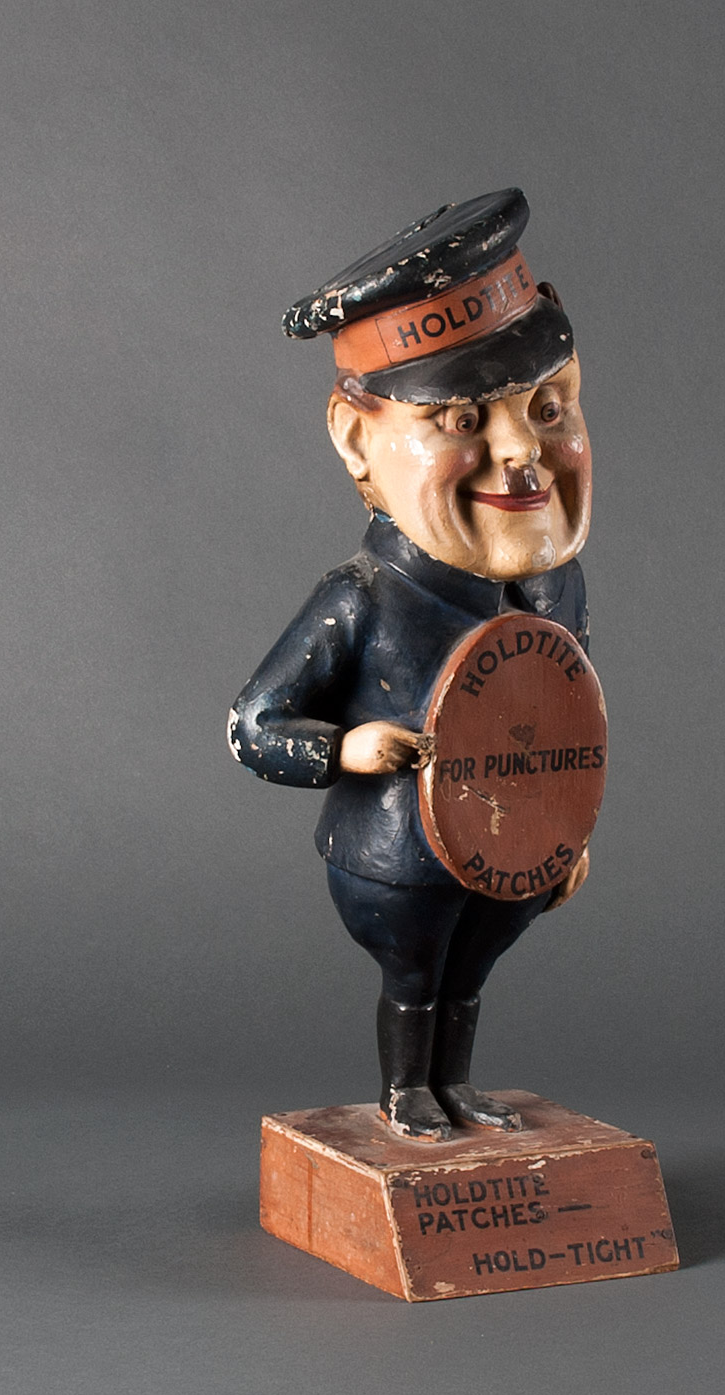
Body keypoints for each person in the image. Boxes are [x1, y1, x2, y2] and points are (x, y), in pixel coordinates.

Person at [229, 188, 596, 1142]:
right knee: (419, 975)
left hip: (513, 850)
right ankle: (407, 1092)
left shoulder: (556, 586)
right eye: (463, 419)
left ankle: (455, 1087)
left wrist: (566, 833)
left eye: (547, 407)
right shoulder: (362, 599)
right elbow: (253, 726)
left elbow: (572, 718)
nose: (521, 453)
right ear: (359, 440)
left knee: (472, 975)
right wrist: (344, 750)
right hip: (399, 862)